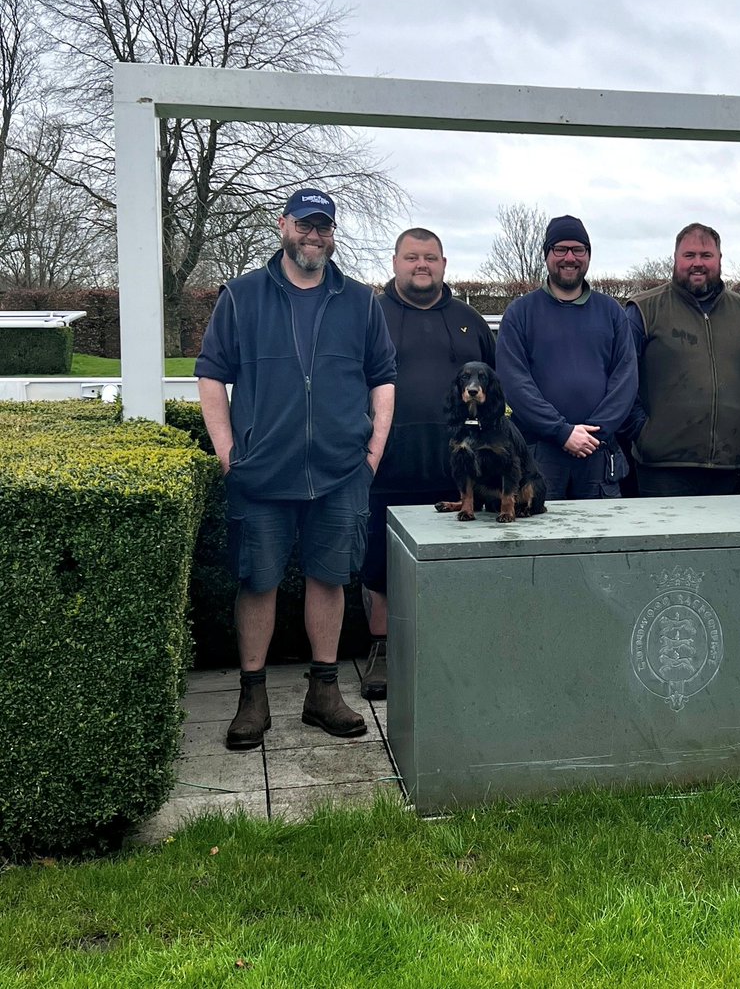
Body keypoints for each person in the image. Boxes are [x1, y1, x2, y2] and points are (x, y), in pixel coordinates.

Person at [196, 187, 396, 751]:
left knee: (329, 578)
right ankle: (252, 697)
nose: (314, 235)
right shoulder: (241, 296)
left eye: (323, 227)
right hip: (262, 473)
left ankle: (324, 692)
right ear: (283, 226)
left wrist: (372, 453)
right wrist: (228, 452)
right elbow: (211, 373)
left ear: (333, 234)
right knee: (257, 581)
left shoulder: (360, 301)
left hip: (339, 472)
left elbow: (383, 377)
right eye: (304, 225)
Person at [357, 227, 496, 699]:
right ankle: (384, 655)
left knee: (455, 566)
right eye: (412, 257)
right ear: (395, 261)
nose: (422, 265)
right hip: (385, 466)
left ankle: (453, 653)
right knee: (380, 567)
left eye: (431, 258)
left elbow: (495, 393)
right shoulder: (368, 315)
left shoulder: (469, 321)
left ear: (444, 263)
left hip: (458, 471)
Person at [495, 215, 637, 500]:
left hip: (599, 453)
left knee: (603, 540)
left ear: (588, 255)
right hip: (540, 454)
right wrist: (561, 431)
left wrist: (595, 433)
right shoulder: (520, 313)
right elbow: (515, 383)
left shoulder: (611, 312)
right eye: (560, 249)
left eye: (578, 250)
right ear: (547, 255)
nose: (569, 257)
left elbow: (626, 379)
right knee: (540, 540)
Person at [625, 223, 740, 496]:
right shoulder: (643, 310)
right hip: (662, 469)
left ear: (719, 259)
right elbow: (622, 378)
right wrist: (643, 432)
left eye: (706, 255)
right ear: (675, 259)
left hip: (732, 465)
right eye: (689, 255)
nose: (697, 263)